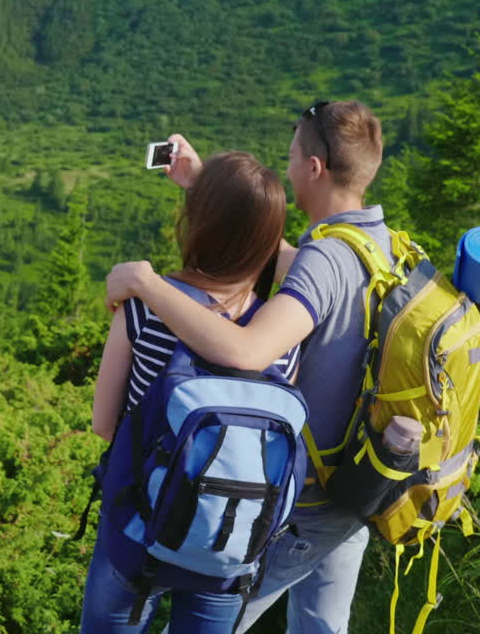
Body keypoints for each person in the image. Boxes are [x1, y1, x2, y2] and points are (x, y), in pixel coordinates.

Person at [105, 101, 387, 634]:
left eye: (291, 156)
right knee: (323, 625)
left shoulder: (326, 256)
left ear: (314, 168)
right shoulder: (375, 243)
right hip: (357, 485)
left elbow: (246, 351)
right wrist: (203, 184)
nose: (287, 167)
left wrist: (148, 286)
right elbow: (278, 256)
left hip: (305, 499)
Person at [82, 151, 302, 634]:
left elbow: (103, 424)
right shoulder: (279, 339)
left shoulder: (141, 312)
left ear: (194, 224)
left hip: (136, 532)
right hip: (227, 548)